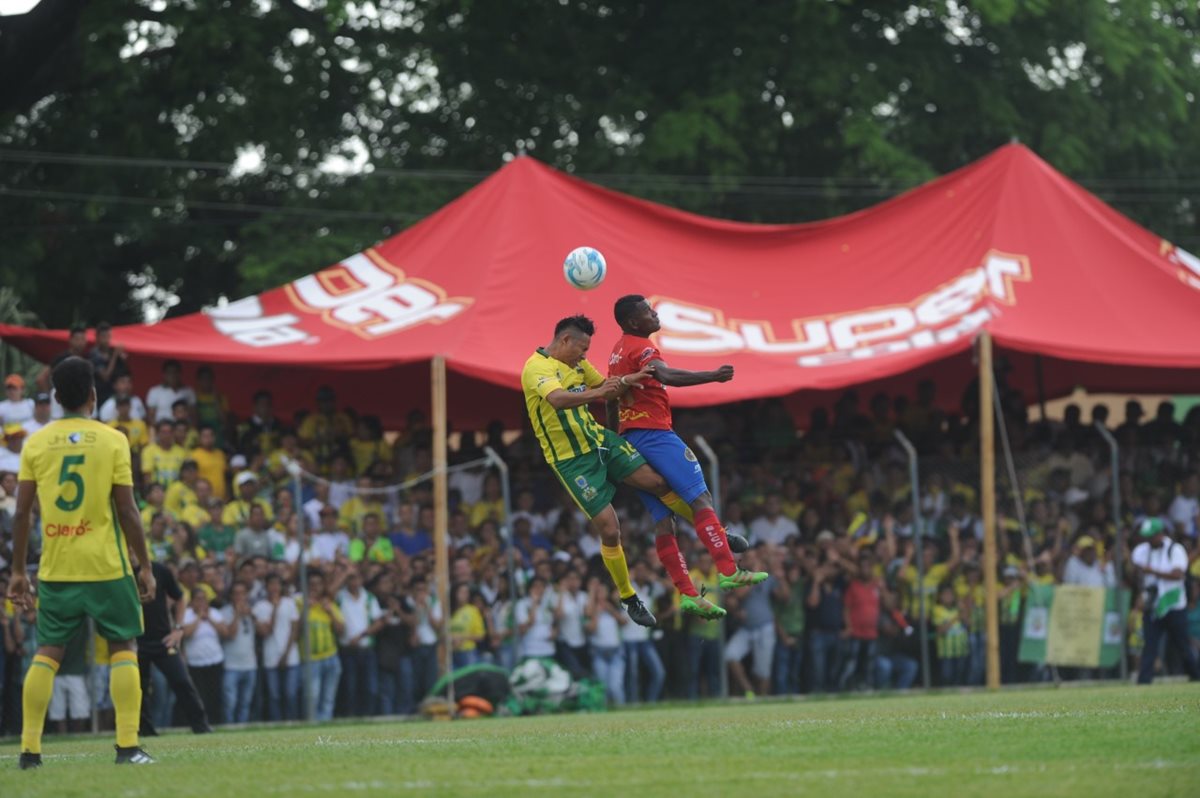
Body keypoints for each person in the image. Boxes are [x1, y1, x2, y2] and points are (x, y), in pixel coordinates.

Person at [7, 355, 157, 767]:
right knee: (124, 644)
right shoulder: (113, 440)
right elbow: (127, 511)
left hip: (57, 568)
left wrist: (20, 571)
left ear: (55, 397)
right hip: (107, 566)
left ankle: (29, 752)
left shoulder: (36, 443)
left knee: (47, 653)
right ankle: (127, 747)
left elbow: (22, 514)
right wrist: (144, 564)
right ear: (93, 395)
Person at [607, 295, 761, 620]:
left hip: (630, 439)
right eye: (648, 311)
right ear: (635, 322)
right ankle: (729, 571)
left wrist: (616, 437)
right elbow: (665, 376)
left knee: (664, 520)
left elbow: (612, 396)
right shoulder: (641, 348)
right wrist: (713, 376)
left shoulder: (617, 350)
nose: (655, 313)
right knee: (701, 499)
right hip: (655, 435)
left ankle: (688, 594)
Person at [521, 314, 677, 626]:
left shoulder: (577, 364)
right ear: (565, 341)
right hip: (571, 461)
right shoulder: (536, 368)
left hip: (597, 439)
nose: (584, 356)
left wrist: (630, 380)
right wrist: (600, 395)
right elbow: (558, 399)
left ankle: (713, 530)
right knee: (609, 529)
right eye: (582, 349)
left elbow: (605, 385)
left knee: (657, 482)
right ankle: (628, 597)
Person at [136, 559, 212, 736]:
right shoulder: (120, 570)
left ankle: (201, 727)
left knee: (182, 681)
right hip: (135, 641)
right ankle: (145, 732)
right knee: (139, 688)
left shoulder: (159, 570)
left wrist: (178, 629)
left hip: (164, 640)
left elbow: (180, 598)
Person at [1131, 518, 1200, 683]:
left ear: (1160, 534)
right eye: (1146, 536)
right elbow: (1137, 572)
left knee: (1182, 645)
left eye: (1151, 536)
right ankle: (1144, 682)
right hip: (1153, 605)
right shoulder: (1142, 550)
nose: (1148, 540)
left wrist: (1152, 571)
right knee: (1150, 645)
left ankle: (1196, 677)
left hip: (1174, 605)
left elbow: (1178, 574)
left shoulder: (1175, 550)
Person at [253, 573, 301, 721]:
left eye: (277, 584)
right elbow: (265, 631)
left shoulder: (289, 603)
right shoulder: (259, 607)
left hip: (291, 657)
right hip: (270, 657)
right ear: (266, 587)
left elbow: (295, 630)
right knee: (274, 696)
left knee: (290, 694)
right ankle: (277, 723)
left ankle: (292, 723)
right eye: (271, 584)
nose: (274, 587)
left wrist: (286, 654)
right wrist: (274, 609)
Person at [304, 569, 345, 721]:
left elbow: (341, 630)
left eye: (318, 584)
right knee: (313, 696)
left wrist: (330, 612)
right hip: (311, 659)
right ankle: (312, 727)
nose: (315, 587)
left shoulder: (329, 604)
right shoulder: (299, 603)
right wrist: (305, 609)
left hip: (331, 657)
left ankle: (325, 729)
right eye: (311, 584)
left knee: (328, 698)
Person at [219, 581, 258, 725]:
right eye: (236, 593)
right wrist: (236, 614)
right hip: (231, 665)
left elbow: (264, 631)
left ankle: (242, 727)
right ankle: (229, 727)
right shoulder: (224, 612)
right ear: (231, 596)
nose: (239, 597)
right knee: (230, 702)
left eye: (242, 593)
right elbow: (230, 635)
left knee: (245, 702)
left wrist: (252, 615)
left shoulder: (251, 611)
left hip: (250, 664)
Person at [88, 322, 129, 406]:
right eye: (104, 336)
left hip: (114, 396)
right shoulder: (94, 354)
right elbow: (105, 376)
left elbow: (124, 373)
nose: (106, 340)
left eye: (108, 336)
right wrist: (115, 356)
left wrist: (121, 358)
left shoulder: (112, 351)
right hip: (99, 396)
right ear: (97, 338)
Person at [145, 359, 195, 426]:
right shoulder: (155, 392)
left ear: (180, 373)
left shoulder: (188, 391)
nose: (173, 375)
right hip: (162, 431)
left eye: (175, 372)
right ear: (164, 374)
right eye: (170, 373)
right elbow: (151, 416)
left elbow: (193, 415)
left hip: (183, 430)